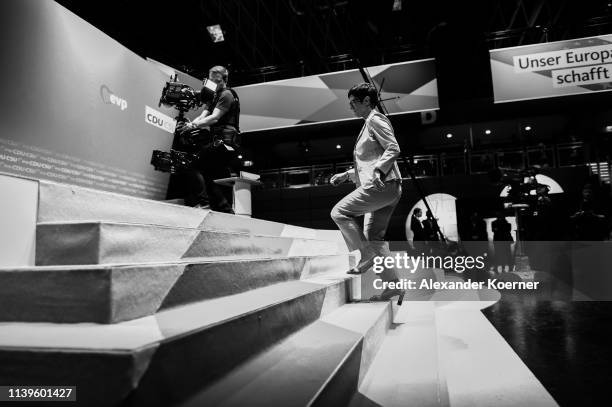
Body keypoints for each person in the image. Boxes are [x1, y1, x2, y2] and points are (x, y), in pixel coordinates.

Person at [330, 83, 403, 303]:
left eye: (354, 103)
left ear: (367, 102)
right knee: (375, 238)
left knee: (339, 212)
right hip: (388, 188)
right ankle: (393, 287)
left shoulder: (375, 119)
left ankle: (366, 254)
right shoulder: (368, 122)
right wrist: (347, 174)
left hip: (382, 186)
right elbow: (372, 158)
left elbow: (393, 147)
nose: (351, 107)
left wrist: (380, 171)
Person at [179, 65, 240, 213]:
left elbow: (214, 118)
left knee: (193, 166)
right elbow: (203, 115)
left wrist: (193, 125)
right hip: (218, 141)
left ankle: (204, 203)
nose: (212, 83)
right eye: (210, 80)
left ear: (224, 80)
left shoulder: (226, 94)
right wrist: (189, 124)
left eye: (216, 80)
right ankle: (224, 208)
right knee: (208, 173)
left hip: (225, 143)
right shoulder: (214, 95)